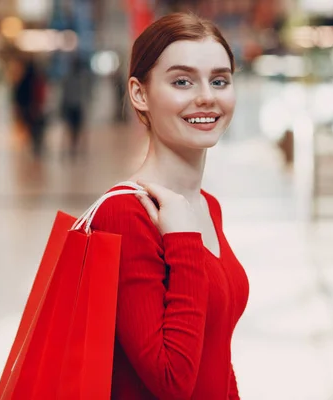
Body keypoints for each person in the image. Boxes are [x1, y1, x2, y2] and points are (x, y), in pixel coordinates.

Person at [91, 13, 250, 399]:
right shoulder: (126, 213)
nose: (207, 96)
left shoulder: (207, 205)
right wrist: (182, 239)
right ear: (139, 93)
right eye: (182, 81)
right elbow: (170, 380)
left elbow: (217, 354)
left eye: (219, 80)